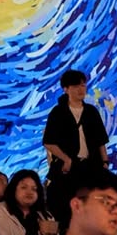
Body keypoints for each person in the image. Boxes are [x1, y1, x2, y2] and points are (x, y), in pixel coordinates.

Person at [42, 69, 109, 219]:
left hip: (92, 165)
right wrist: (66, 159)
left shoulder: (91, 111)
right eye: (76, 86)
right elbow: (48, 142)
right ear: (66, 89)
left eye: (83, 85)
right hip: (69, 167)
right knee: (68, 208)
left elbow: (101, 140)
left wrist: (105, 162)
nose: (81, 89)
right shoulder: (58, 112)